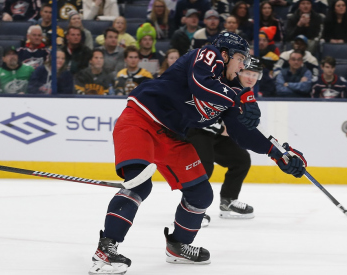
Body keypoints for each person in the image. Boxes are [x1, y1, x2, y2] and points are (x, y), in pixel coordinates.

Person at [87, 32, 307, 275]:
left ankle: (178, 246)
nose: (243, 65)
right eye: (240, 58)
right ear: (225, 54)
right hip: (141, 119)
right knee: (140, 183)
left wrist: (277, 153)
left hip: (172, 136)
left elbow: (241, 132)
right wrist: (239, 97)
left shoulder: (233, 88)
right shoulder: (208, 54)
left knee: (201, 195)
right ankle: (106, 251)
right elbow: (201, 84)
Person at [186, 58, 264, 224]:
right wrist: (226, 129)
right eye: (247, 73)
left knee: (241, 160)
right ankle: (194, 209)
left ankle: (228, 201)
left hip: (216, 135)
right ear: (239, 71)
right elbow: (204, 112)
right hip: (198, 131)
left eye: (255, 75)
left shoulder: (246, 95)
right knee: (204, 167)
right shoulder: (223, 84)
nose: (251, 78)